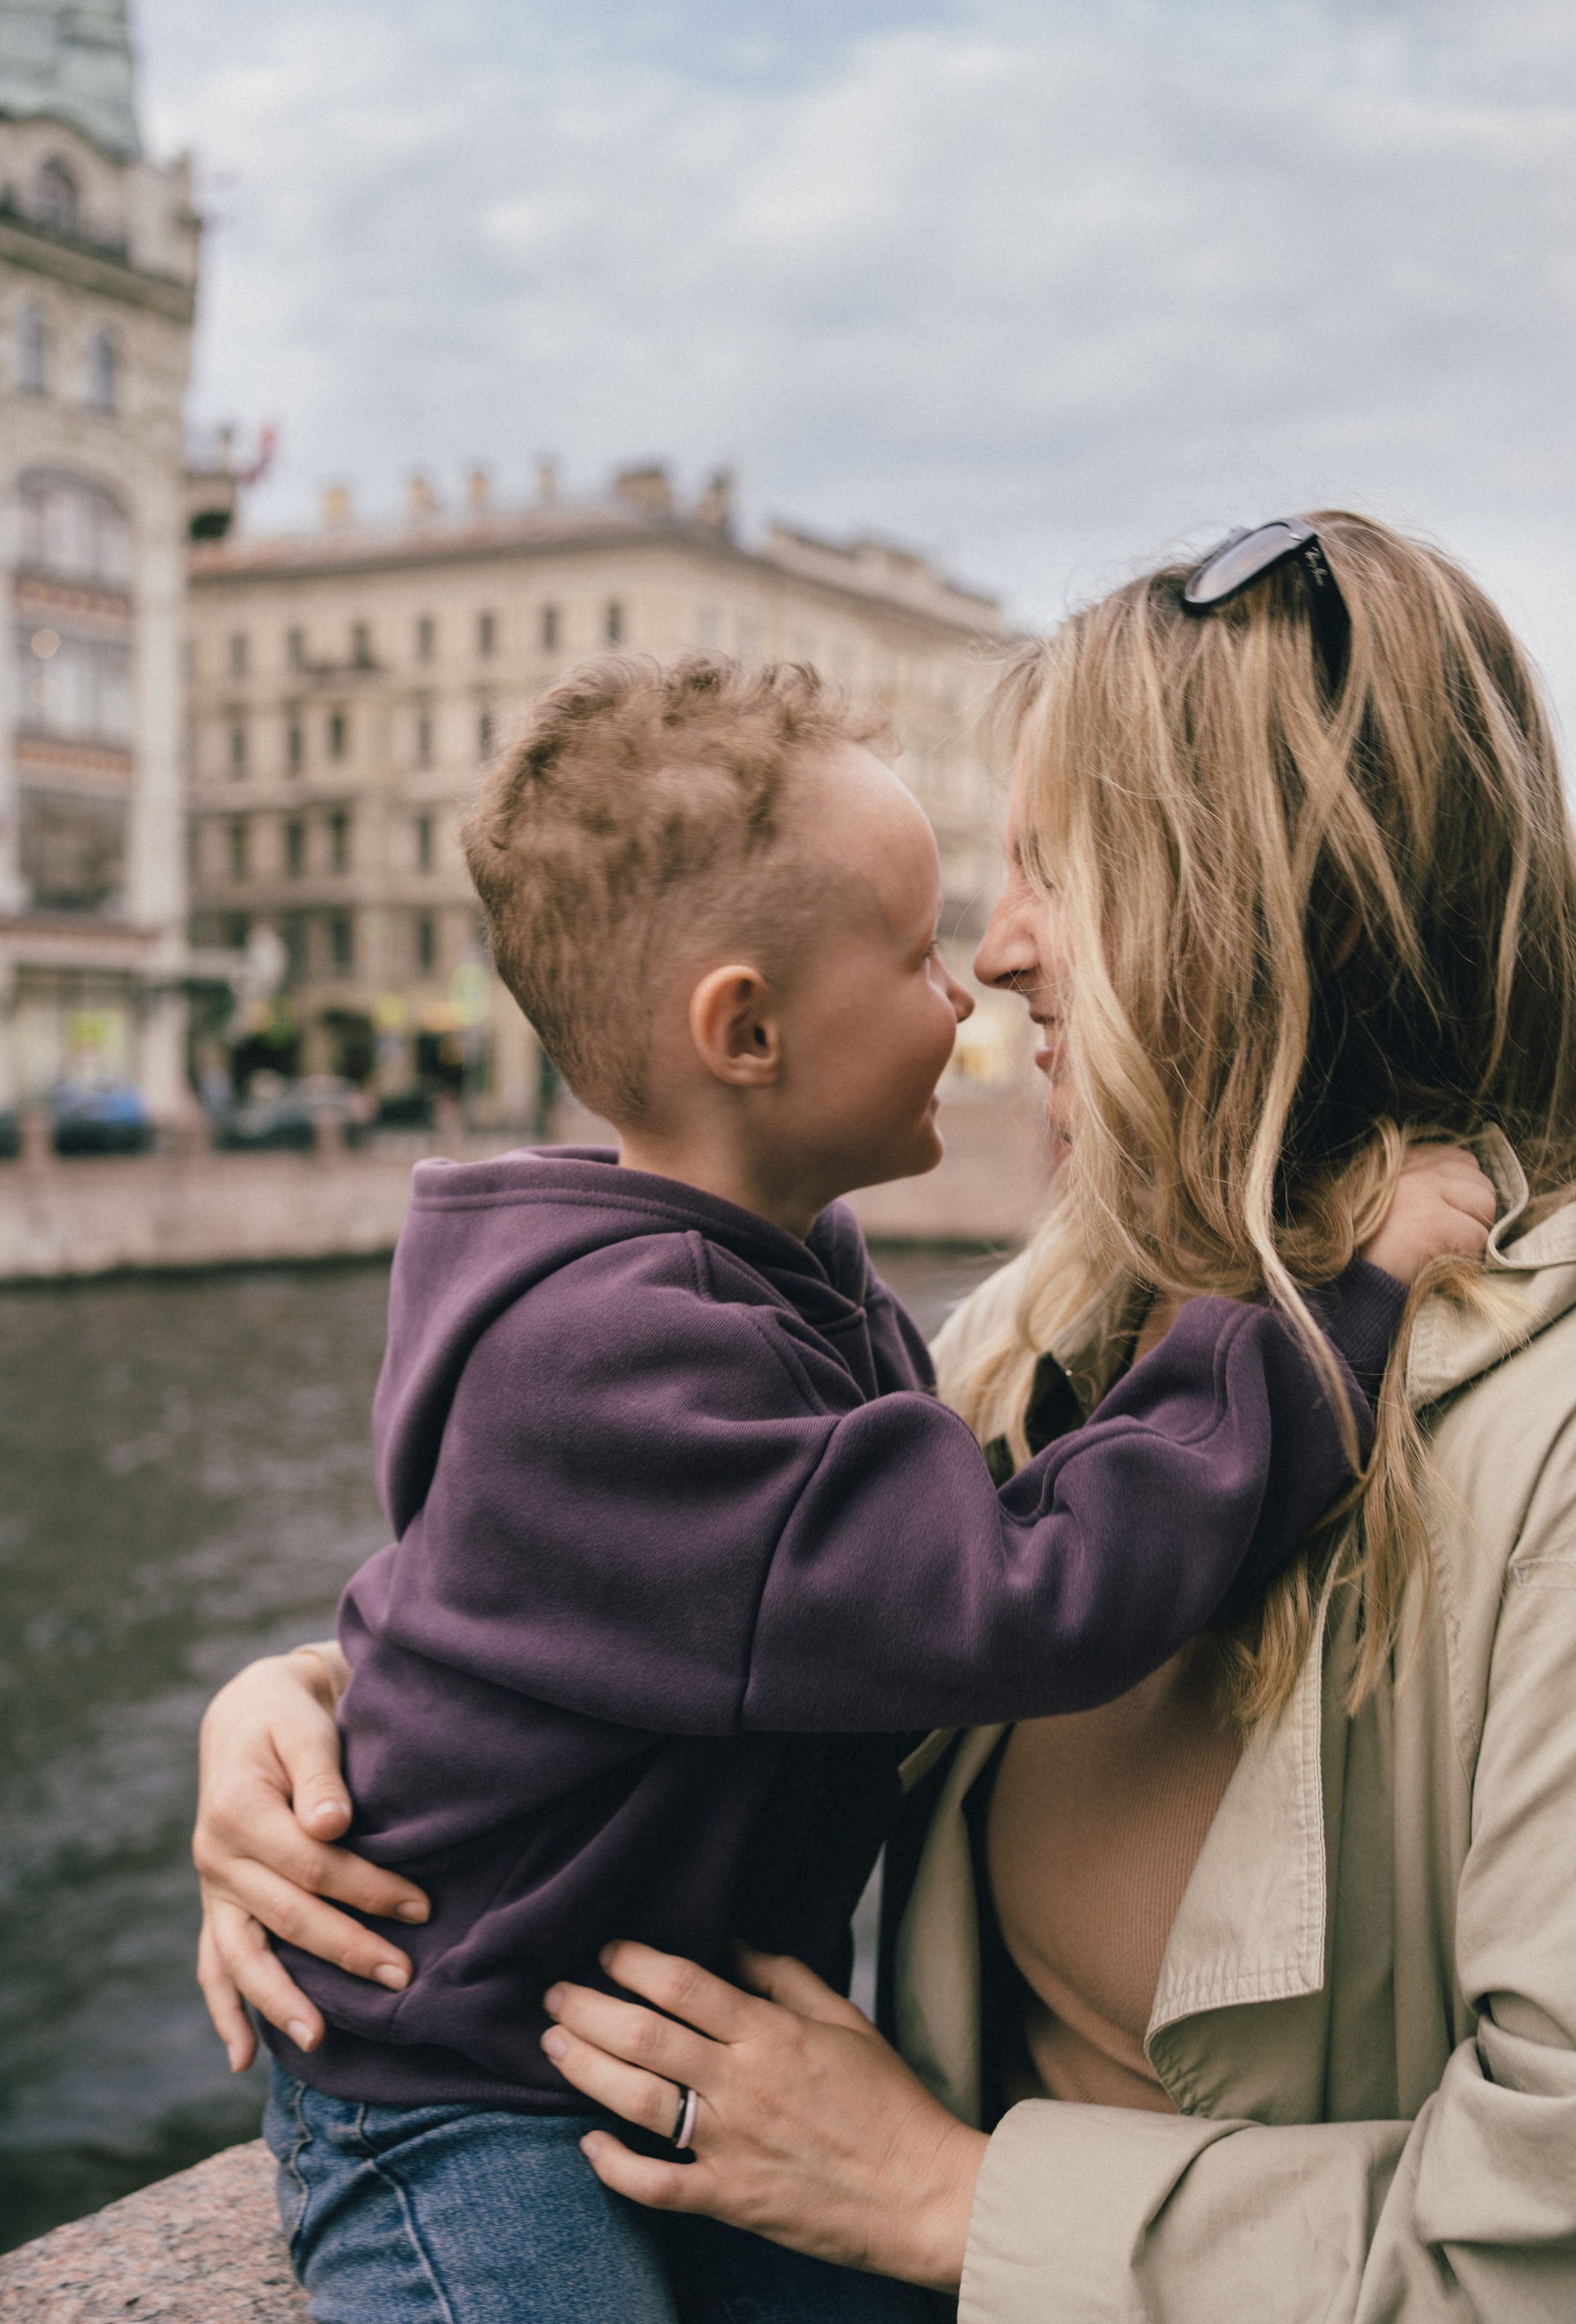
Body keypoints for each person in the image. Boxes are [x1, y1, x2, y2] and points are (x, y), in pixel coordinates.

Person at [193, 577, 1505, 2317]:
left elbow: (583, 1601)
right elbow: (1017, 1584)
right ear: (747, 1033)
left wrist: (296, 1681)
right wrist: (1325, 1322)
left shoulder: (768, 1284)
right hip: (463, 2098)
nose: (973, 986)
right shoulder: (623, 1349)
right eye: (915, 954)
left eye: (1039, 886)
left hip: (634, 2055)